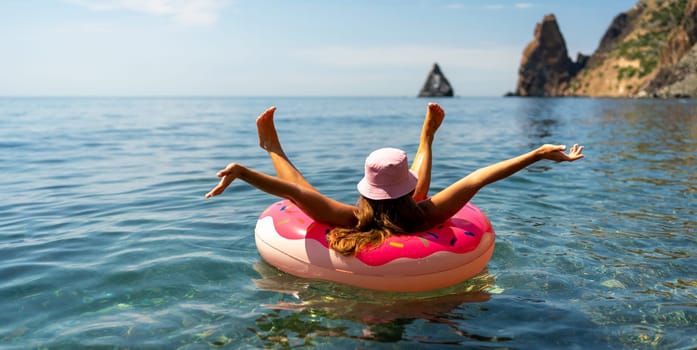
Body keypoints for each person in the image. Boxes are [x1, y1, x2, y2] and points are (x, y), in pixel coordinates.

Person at [205, 103, 585, 256]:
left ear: (365, 190)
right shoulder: (425, 214)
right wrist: (536, 154)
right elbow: (477, 180)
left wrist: (243, 172)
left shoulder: (349, 219)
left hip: (362, 281)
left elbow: (295, 191)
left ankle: (272, 147)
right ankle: (427, 137)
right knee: (418, 194)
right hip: (414, 228)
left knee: (308, 196)